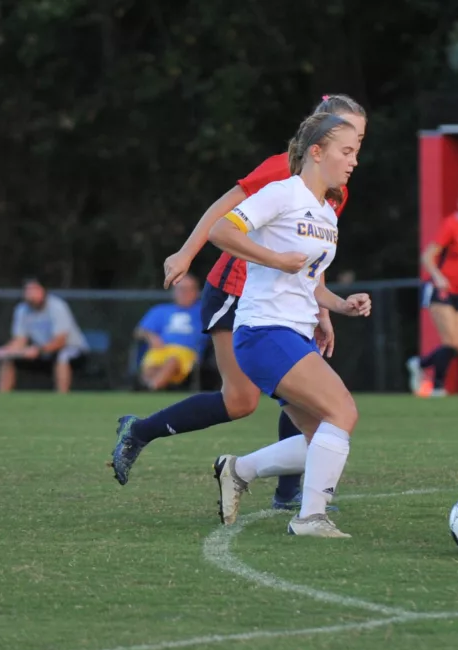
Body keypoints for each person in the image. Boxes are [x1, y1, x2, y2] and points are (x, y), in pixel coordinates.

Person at [109, 95, 367, 510]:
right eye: (347, 134)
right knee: (243, 400)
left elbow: (310, 254)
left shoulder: (335, 189)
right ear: (321, 135)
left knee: (302, 392)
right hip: (236, 290)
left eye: (360, 139)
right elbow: (225, 207)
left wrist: (323, 309)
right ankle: (141, 432)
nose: (354, 148)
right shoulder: (286, 169)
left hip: (285, 301)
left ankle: (287, 493)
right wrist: (186, 253)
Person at [207, 111, 370, 537]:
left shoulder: (328, 214)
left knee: (322, 437)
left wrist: (341, 304)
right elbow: (221, 231)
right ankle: (310, 518)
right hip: (264, 331)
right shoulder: (282, 193)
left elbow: (309, 282)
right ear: (316, 152)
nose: (354, 161)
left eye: (356, 152)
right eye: (346, 151)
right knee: (342, 411)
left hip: (293, 334)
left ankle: (238, 470)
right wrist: (275, 259)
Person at [407, 186, 458, 397]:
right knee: (449, 342)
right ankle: (438, 386)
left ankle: (420, 363)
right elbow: (427, 256)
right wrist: (438, 277)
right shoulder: (451, 225)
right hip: (441, 289)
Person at [0, 278, 89, 393]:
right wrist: (7, 350)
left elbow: (60, 341)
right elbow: (20, 340)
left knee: (62, 356)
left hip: (72, 350)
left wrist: (38, 350)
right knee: (8, 359)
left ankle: (62, 397)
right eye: (28, 291)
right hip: (42, 352)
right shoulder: (22, 310)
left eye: (35, 290)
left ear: (43, 291)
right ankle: (1, 397)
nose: (31, 294)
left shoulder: (57, 306)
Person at [133, 275, 206, 390]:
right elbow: (139, 331)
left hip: (186, 352)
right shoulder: (160, 310)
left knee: (172, 360)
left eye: (188, 289)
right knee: (151, 366)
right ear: (174, 292)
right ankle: (152, 385)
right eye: (181, 289)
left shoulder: (204, 312)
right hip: (161, 349)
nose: (184, 293)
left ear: (196, 292)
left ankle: (151, 388)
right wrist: (150, 336)